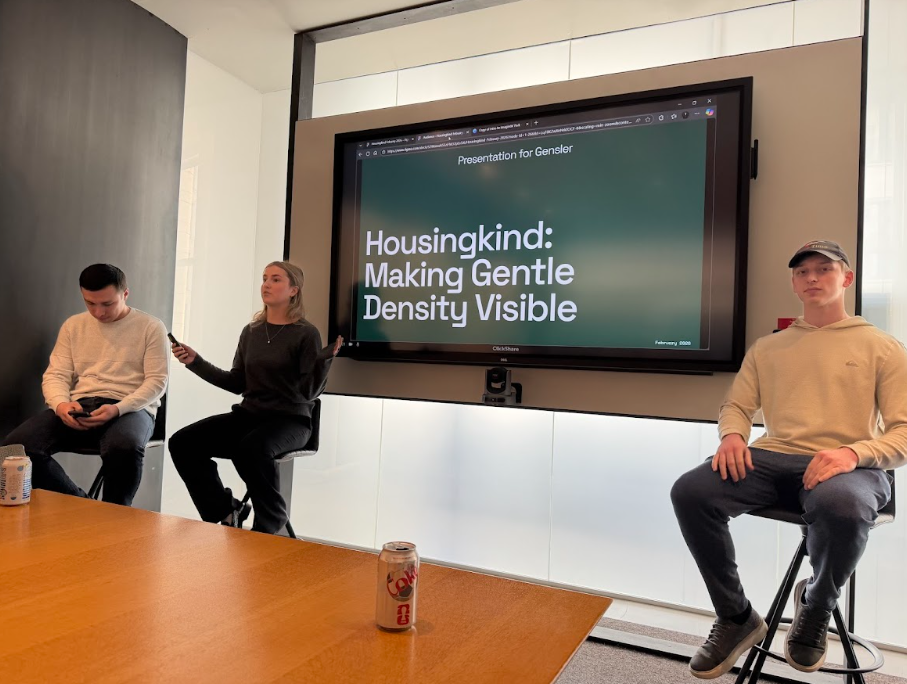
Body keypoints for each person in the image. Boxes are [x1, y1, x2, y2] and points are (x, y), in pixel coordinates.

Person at [671, 240, 907, 679]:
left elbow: (903, 432)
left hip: (850, 466)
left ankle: (816, 606)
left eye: (824, 269)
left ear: (846, 278)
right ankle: (736, 616)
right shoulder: (769, 347)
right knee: (691, 491)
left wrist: (852, 453)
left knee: (842, 506)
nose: (812, 278)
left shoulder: (883, 347)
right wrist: (733, 437)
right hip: (774, 458)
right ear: (795, 284)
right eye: (802, 272)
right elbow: (736, 406)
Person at [168, 261, 341, 534]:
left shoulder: (306, 333)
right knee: (183, 442)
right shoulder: (252, 331)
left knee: (250, 450)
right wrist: (195, 362)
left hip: (291, 421)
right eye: (264, 278)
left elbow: (309, 392)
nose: (266, 285)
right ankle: (226, 510)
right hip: (249, 416)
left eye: (275, 279)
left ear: (293, 290)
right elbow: (236, 383)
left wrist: (324, 361)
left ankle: (269, 524)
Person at [1, 264, 169, 506]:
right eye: (90, 303)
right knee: (13, 449)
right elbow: (56, 374)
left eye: (107, 304)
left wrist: (118, 409)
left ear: (125, 294)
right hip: (81, 405)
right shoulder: (74, 326)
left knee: (124, 447)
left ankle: (116, 515)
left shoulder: (151, 327)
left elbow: (157, 381)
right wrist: (60, 404)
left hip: (130, 409)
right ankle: (82, 506)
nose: (98, 312)